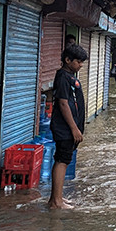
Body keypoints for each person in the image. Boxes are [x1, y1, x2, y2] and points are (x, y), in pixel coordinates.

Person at [48, 43, 87, 209]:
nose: (81, 65)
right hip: (64, 128)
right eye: (78, 61)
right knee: (62, 160)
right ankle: (56, 201)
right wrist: (74, 128)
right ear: (67, 60)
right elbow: (63, 104)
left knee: (64, 159)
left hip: (68, 128)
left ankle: (57, 198)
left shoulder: (69, 76)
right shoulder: (63, 77)